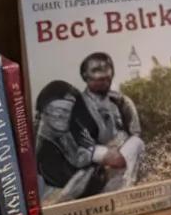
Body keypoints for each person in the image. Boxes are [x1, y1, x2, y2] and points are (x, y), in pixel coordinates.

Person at [34, 54, 144, 202]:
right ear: (85, 75)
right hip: (87, 172)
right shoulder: (74, 104)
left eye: (107, 68)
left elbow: (134, 134)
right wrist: (100, 154)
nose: (103, 74)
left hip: (121, 169)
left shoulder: (122, 102)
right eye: (96, 69)